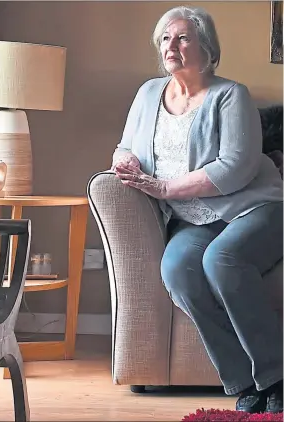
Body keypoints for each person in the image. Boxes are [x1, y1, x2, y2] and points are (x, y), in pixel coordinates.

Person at [112, 5, 283, 414]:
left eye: (183, 37)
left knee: (222, 261)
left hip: (255, 208)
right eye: (166, 39)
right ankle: (244, 381)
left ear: (206, 47)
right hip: (192, 219)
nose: (172, 45)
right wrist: (127, 162)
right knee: (178, 270)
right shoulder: (149, 93)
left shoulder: (230, 94)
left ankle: (276, 375)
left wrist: (165, 187)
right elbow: (125, 145)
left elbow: (235, 168)